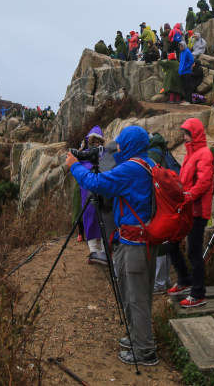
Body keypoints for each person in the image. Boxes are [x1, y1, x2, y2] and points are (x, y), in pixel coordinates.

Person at [66, 126, 158, 366]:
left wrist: (75, 165)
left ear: (130, 143)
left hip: (134, 243)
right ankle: (138, 336)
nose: (117, 147)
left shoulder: (130, 170)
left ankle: (145, 351)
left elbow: (96, 183)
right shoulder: (149, 164)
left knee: (135, 296)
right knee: (139, 294)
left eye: (121, 143)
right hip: (146, 240)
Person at [165, 118, 214, 308]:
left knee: (194, 252)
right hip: (187, 208)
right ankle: (185, 280)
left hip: (198, 211)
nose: (184, 137)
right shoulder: (190, 153)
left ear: (195, 134)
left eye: (186, 133)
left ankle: (198, 293)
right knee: (171, 244)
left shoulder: (204, 154)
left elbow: (204, 182)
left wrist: (188, 195)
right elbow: (184, 179)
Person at [73, 126, 109, 265]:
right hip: (87, 193)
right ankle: (94, 251)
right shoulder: (84, 155)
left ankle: (105, 253)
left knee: (105, 220)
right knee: (89, 218)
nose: (97, 145)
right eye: (94, 142)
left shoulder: (105, 155)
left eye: (99, 142)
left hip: (103, 193)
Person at [147, 133, 173, 294]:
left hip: (159, 202)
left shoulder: (152, 154)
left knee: (159, 243)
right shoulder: (164, 152)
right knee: (166, 240)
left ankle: (159, 283)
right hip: (168, 201)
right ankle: (166, 279)